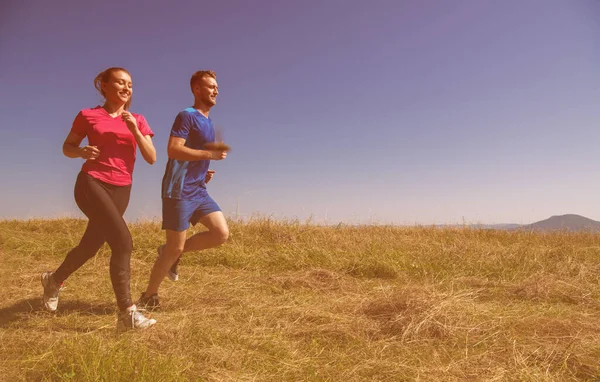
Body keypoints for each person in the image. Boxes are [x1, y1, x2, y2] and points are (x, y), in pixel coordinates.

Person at [41, 67, 158, 331]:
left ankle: (54, 280)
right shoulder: (88, 115)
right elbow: (67, 147)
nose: (127, 88)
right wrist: (80, 151)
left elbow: (152, 157)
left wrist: (135, 131)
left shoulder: (137, 119)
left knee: (91, 245)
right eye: (120, 82)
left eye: (130, 84)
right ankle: (127, 313)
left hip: (122, 188)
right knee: (123, 242)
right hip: (91, 183)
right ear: (104, 86)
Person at [138, 70, 229, 310]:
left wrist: (203, 170)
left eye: (216, 87)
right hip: (177, 189)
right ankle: (148, 296)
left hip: (198, 189)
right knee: (175, 246)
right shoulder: (186, 116)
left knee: (220, 234)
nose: (216, 91)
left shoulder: (207, 121)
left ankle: (170, 253)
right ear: (196, 89)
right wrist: (210, 155)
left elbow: (192, 155)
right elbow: (173, 150)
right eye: (210, 86)